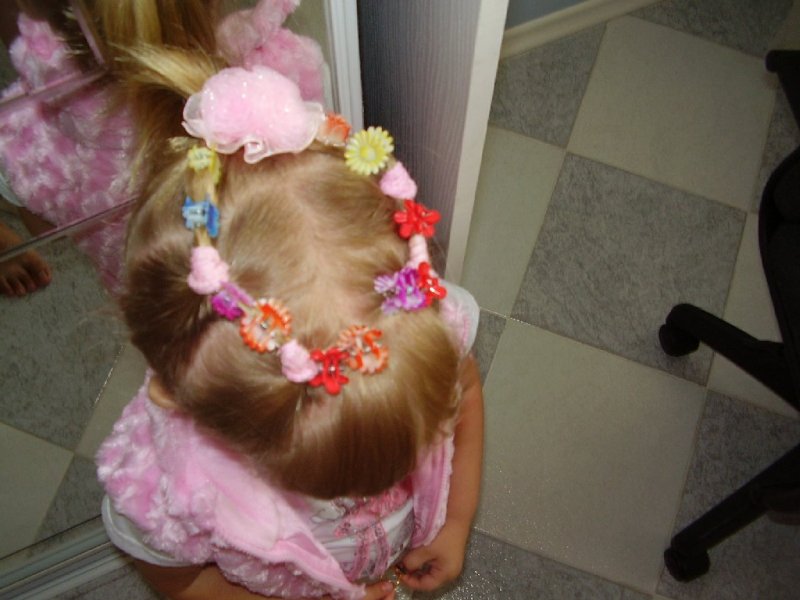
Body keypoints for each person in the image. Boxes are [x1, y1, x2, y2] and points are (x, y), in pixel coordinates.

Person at [94, 2, 484, 599]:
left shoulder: (420, 320)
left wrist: (454, 524)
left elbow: (468, 393)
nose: (369, 492)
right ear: (176, 398)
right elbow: (181, 582)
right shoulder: (167, 491)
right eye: (329, 482)